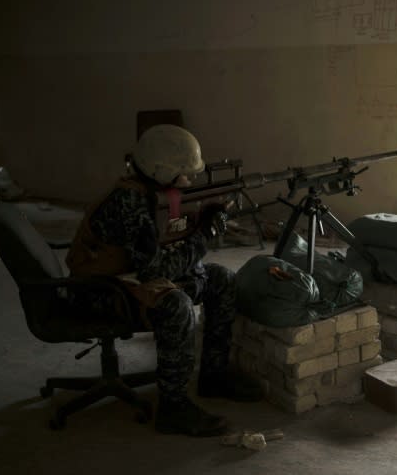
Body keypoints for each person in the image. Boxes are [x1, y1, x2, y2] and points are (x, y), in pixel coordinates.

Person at [65, 124, 263, 437]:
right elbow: (157, 271)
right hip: (96, 289)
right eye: (185, 172)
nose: (192, 178)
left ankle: (213, 374)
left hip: (126, 276)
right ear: (162, 170)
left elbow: (163, 244)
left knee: (221, 278)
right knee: (177, 305)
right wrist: (203, 237)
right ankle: (174, 407)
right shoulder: (128, 202)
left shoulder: (153, 192)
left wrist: (203, 220)